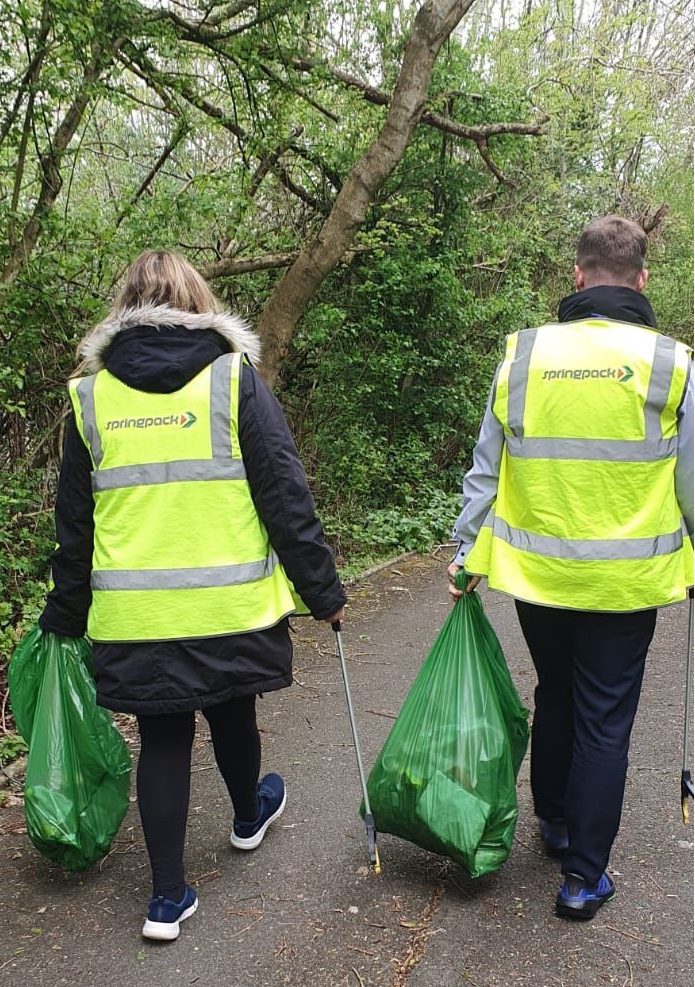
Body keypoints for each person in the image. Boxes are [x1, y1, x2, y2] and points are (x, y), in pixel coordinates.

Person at [39, 250, 346, 941]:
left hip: (137, 614)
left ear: (123, 308)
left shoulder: (91, 397)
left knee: (163, 739)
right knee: (234, 708)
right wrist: (321, 589)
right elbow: (283, 493)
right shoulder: (231, 380)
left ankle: (166, 899)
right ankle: (247, 814)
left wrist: (65, 610)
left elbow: (74, 523)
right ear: (196, 302)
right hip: (227, 604)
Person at [448, 215, 693, 920]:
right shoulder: (672, 364)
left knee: (554, 689)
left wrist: (467, 551)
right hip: (624, 584)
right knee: (603, 718)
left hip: (537, 576)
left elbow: (484, 467)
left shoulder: (522, 356)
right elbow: (690, 480)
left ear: (577, 275)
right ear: (641, 280)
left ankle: (553, 821)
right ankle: (582, 876)